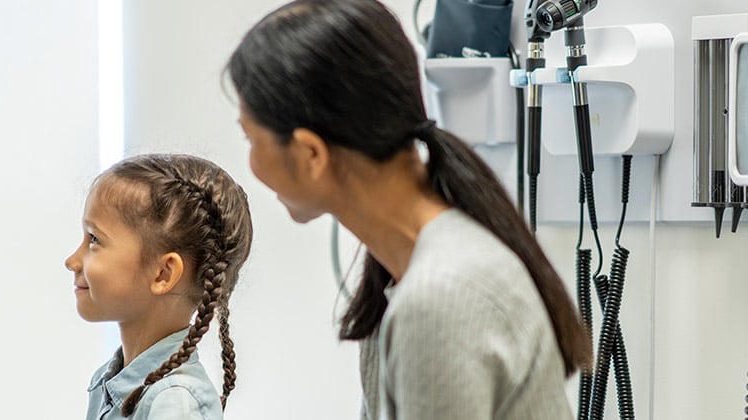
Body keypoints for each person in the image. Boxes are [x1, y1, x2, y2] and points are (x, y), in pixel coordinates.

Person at [226, 0, 591, 418]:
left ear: (311, 153)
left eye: (250, 139)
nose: (251, 165)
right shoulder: (401, 275)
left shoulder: (440, 296)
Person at [66, 154, 253, 419]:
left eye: (94, 239)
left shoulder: (175, 403)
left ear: (163, 273)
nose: (72, 261)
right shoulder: (107, 380)